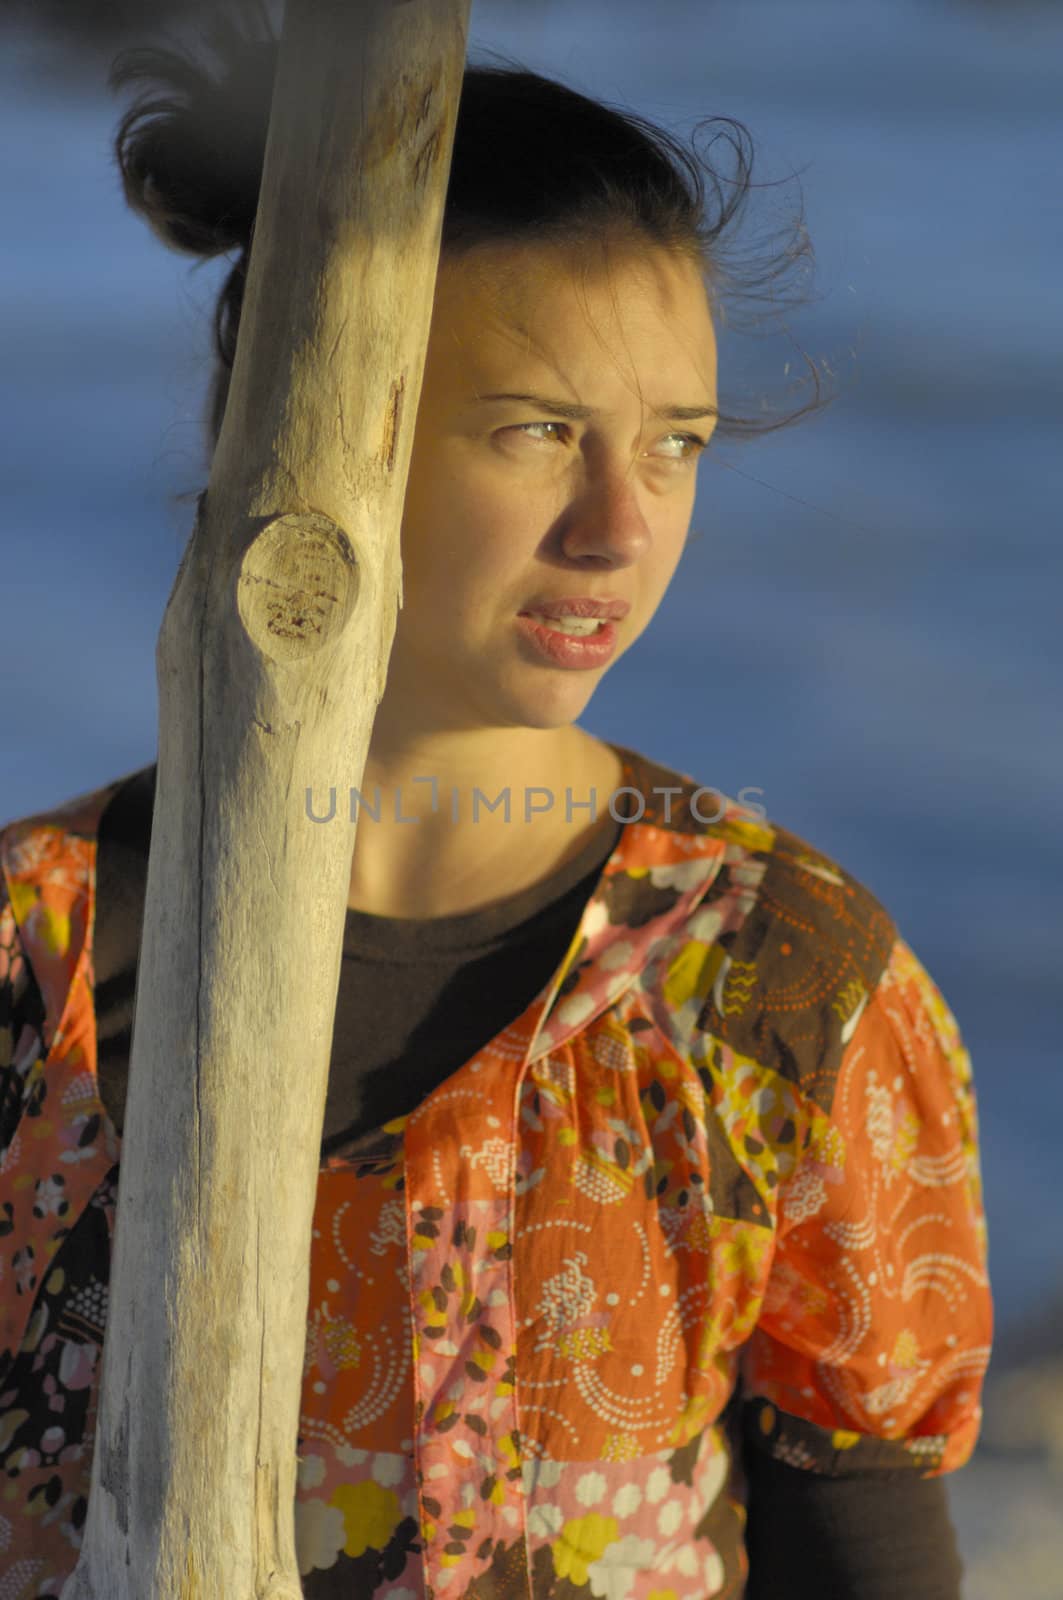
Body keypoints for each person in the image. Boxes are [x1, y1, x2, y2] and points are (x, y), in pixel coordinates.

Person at [0, 20, 991, 1600]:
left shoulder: (776, 985)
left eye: (675, 447)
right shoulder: (25, 969)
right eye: (536, 431)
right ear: (303, 431)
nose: (621, 531)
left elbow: (866, 1552)